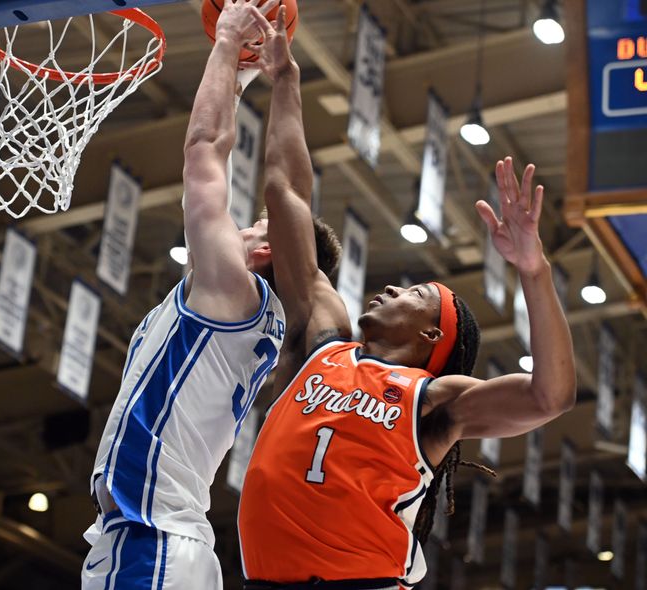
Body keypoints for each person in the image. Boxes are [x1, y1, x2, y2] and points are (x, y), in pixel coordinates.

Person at [237, 10, 577, 589]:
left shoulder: (434, 401)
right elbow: (286, 192)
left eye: (413, 293)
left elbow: (551, 396)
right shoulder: (322, 341)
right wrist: (288, 80)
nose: (391, 287)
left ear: (431, 337)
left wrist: (534, 269)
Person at [81, 1, 342, 589]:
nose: (238, 226)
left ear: (266, 251)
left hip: (155, 538)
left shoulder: (233, 292)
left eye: (249, 225)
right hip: (169, 539)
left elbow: (204, 153)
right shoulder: (253, 314)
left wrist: (227, 44)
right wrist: (251, 77)